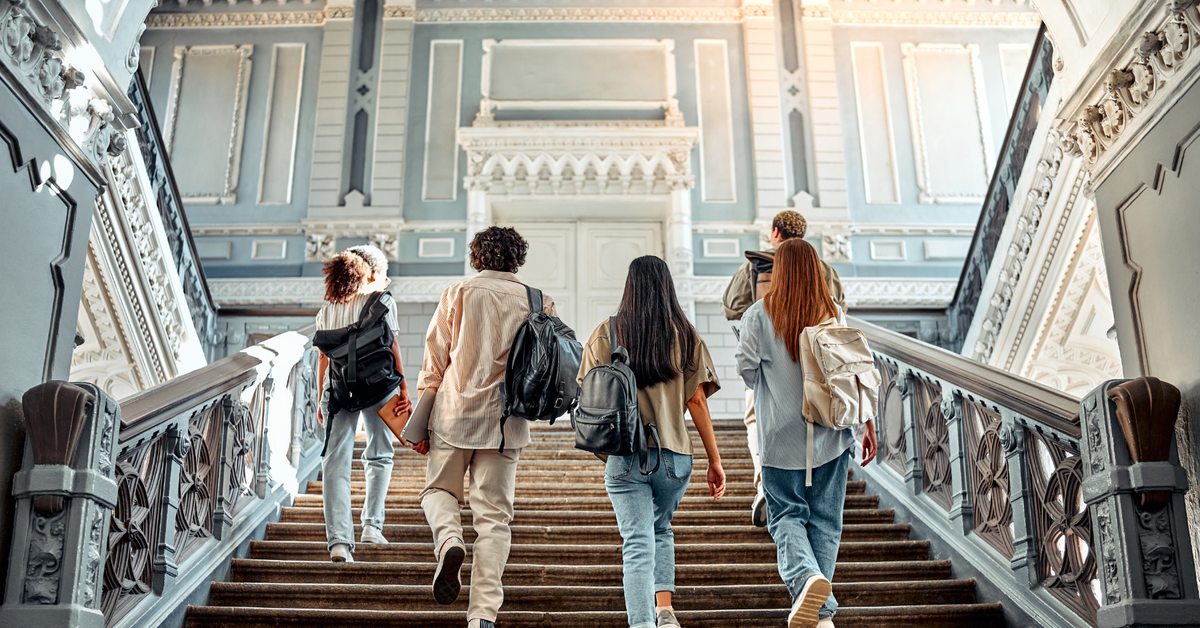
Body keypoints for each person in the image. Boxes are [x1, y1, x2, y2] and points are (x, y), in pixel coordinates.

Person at [415, 226, 556, 628]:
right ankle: (482, 616)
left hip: (454, 413)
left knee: (438, 490)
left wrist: (420, 420)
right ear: (518, 259)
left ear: (477, 257)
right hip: (507, 422)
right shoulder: (538, 300)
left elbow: (434, 362)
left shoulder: (457, 293)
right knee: (494, 519)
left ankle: (450, 539)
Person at [733, 239, 877, 628]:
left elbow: (747, 373)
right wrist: (867, 424)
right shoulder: (833, 311)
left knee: (786, 518)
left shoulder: (758, 315)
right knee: (827, 522)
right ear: (816, 268)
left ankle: (808, 582)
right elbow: (854, 372)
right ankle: (822, 614)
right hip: (832, 433)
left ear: (779, 270)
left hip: (781, 438)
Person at [577, 256, 726, 628]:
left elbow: (587, 396)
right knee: (660, 528)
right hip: (674, 456)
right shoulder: (686, 335)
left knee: (637, 543)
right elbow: (696, 402)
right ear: (666, 287)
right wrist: (715, 459)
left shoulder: (605, 334)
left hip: (625, 455)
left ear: (629, 287)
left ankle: (642, 624)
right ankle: (665, 610)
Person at [722, 210, 846, 527]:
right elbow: (840, 310)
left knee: (757, 420)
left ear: (775, 232)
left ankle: (766, 483)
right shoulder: (823, 269)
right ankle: (811, 488)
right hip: (817, 367)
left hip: (770, 366)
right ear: (802, 235)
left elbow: (732, 307)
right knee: (821, 422)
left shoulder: (756, 263)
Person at [315, 246, 412, 563]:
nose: (386, 279)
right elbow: (392, 344)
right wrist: (404, 388)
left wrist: (321, 396)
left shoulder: (329, 305)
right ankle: (372, 526)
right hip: (380, 386)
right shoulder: (383, 300)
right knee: (381, 454)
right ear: (371, 273)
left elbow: (322, 357)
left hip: (340, 389)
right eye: (383, 273)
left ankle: (340, 543)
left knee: (335, 462)